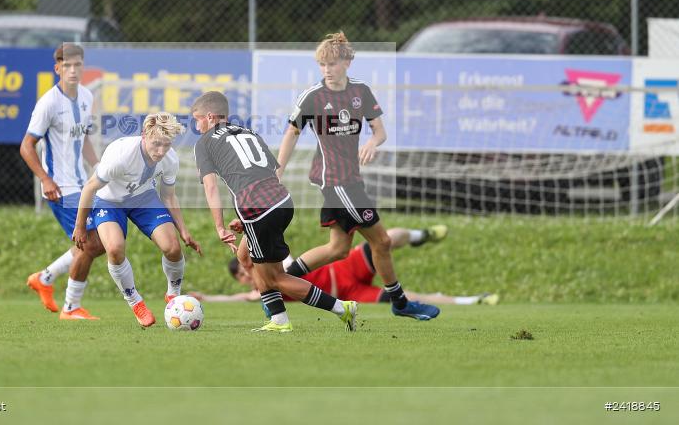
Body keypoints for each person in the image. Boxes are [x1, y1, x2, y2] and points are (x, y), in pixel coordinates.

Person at [276, 31, 440, 320]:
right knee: (382, 241)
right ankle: (400, 302)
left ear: (347, 63)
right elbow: (292, 132)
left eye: (332, 64)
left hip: (351, 180)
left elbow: (380, 132)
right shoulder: (313, 97)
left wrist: (372, 142)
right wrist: (278, 170)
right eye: (322, 65)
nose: (327, 70)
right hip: (336, 183)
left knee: (338, 249)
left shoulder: (360, 92)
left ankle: (275, 286)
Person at [191, 91, 357, 333]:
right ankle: (278, 319)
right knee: (245, 257)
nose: (196, 126)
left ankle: (341, 309)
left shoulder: (204, 142)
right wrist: (247, 219)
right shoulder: (248, 132)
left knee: (275, 278)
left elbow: (211, 186)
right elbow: (268, 172)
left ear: (209, 116)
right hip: (280, 200)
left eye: (197, 120)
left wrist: (220, 226)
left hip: (257, 209)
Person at [72, 112, 202, 328]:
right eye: (156, 144)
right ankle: (135, 302)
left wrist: (184, 230)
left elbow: (169, 196)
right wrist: (80, 226)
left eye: (166, 145)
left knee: (172, 248)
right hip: (109, 201)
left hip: (143, 198)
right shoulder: (121, 155)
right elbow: (90, 188)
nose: (160, 151)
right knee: (114, 249)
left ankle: (173, 296)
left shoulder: (170, 159)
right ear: (144, 135)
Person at [193, 228, 500, 307]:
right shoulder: (266, 291)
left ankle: (422, 236)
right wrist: (207, 298)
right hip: (353, 292)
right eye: (242, 277)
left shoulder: (274, 267)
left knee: (386, 238)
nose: (247, 275)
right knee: (407, 297)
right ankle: (472, 300)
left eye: (245, 268)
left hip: (343, 269)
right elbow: (236, 299)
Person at [20, 42, 104, 320]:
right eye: (66, 65)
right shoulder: (48, 103)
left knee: (98, 242)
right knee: (91, 243)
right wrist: (45, 179)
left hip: (82, 184)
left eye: (77, 64)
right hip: (60, 187)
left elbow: (85, 138)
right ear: (57, 68)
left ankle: (44, 279)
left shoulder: (87, 96)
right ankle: (71, 307)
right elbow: (26, 146)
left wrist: (101, 169)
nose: (72, 70)